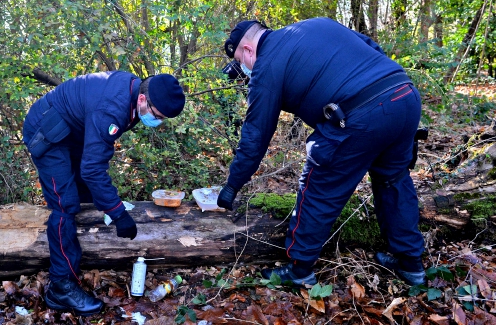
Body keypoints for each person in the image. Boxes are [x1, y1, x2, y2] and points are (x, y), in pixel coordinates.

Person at [216, 18, 426, 287]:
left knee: (317, 187)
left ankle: (300, 269)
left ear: (247, 49)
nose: (245, 70)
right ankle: (411, 265)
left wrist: (232, 186)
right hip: (403, 95)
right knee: (393, 180)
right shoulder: (314, 25)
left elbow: (255, 137)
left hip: (360, 114)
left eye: (242, 62)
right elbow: (371, 45)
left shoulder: (266, 66)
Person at [22, 71, 186, 315]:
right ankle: (61, 287)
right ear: (143, 99)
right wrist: (118, 214)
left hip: (71, 131)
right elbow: (92, 168)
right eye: (157, 116)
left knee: (86, 195)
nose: (157, 122)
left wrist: (108, 205)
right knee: (65, 205)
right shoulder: (113, 108)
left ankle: (85, 257)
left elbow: (94, 158)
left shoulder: (132, 94)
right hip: (47, 131)